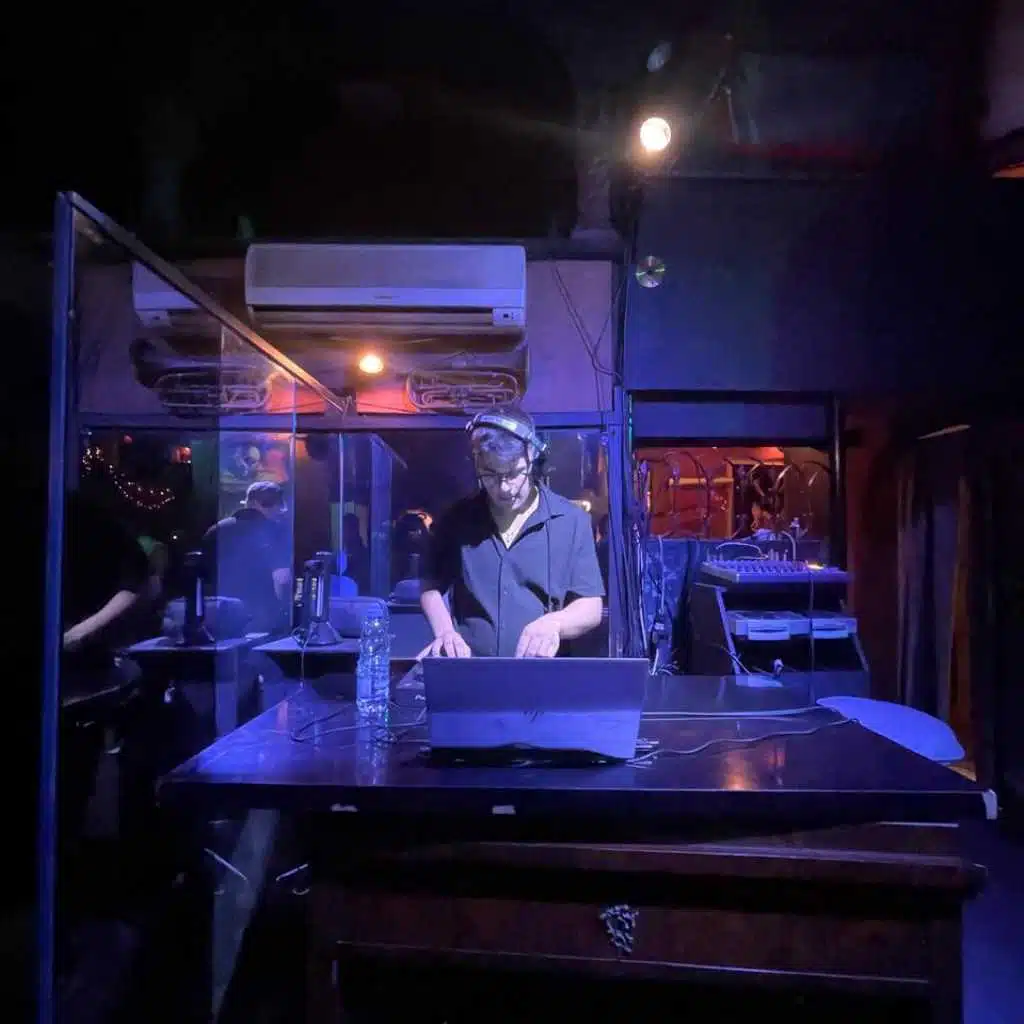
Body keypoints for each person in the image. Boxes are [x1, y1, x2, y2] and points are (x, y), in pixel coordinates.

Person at [419, 408, 604, 658]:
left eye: (513, 473)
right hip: (472, 671)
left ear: (532, 456)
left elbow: (591, 606)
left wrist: (555, 623)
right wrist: (444, 632)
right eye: (490, 475)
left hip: (543, 674)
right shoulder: (456, 519)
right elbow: (431, 587)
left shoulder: (572, 521)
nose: (504, 488)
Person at [201, 480, 291, 633]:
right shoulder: (275, 531)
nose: (279, 511)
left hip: (218, 616)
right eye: (278, 506)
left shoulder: (215, 530)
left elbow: (203, 576)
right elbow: (281, 578)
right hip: (262, 618)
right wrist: (283, 614)